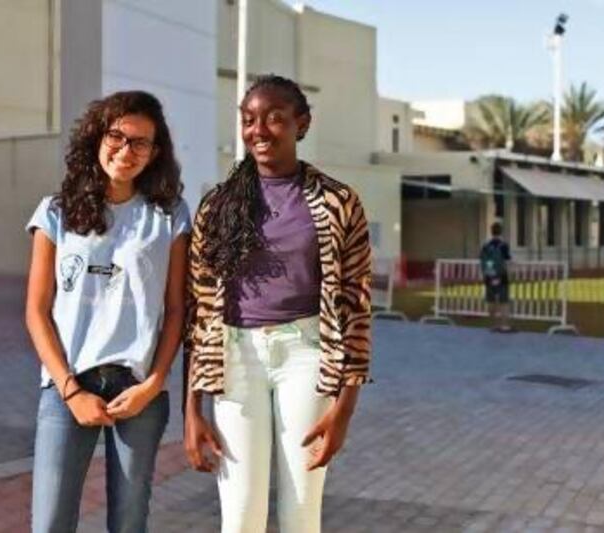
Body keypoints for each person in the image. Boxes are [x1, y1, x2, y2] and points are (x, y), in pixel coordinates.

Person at [183, 74, 372, 533]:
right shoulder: (217, 205)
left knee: (300, 513)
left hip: (307, 357)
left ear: (301, 124)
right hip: (235, 360)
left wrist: (344, 409)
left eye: (275, 118)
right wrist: (192, 410)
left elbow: (357, 307)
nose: (259, 130)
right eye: (249, 120)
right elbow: (199, 309)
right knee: (241, 515)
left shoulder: (339, 202)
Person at [25, 90, 190, 532]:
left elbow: (176, 309)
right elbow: (37, 311)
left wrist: (153, 384)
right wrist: (70, 390)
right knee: (50, 523)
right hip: (68, 385)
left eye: (141, 142)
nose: (126, 150)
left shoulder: (169, 215)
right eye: (117, 136)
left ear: (155, 153)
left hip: (138, 388)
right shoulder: (55, 212)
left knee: (128, 522)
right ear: (97, 137)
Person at [480, 221, 512, 332]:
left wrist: (488, 272)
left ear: (491, 231)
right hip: (501, 275)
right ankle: (504, 325)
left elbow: (482, 260)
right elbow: (507, 259)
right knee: (504, 301)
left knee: (491, 300)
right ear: (501, 232)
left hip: (489, 275)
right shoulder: (503, 245)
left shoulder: (486, 246)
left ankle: (493, 324)